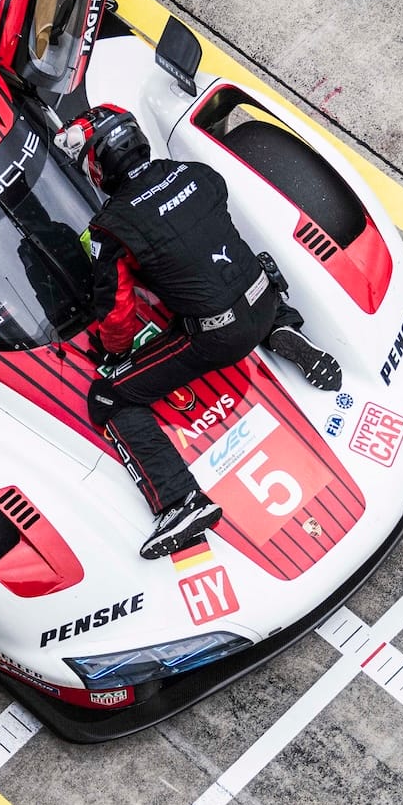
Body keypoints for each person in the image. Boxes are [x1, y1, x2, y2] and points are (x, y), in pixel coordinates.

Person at [63, 105, 342, 558]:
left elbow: (116, 311)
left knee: (109, 395)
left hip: (218, 333)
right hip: (264, 294)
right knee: (220, 270)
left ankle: (180, 502)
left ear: (99, 164)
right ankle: (284, 330)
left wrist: (115, 354)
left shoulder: (112, 226)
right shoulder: (199, 173)